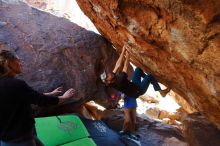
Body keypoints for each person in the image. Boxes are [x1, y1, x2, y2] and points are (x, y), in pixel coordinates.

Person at [0, 50, 76, 146]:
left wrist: (51, 93)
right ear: (9, 63)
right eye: (18, 60)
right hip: (19, 139)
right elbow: (41, 101)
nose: (21, 63)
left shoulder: (8, 84)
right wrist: (64, 97)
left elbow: (29, 96)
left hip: (10, 137)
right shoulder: (16, 84)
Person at [104, 45, 170, 99]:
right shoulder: (119, 82)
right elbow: (125, 66)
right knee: (150, 76)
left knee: (138, 70)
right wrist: (128, 56)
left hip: (134, 85)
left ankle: (150, 81)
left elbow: (117, 65)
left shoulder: (112, 77)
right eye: (107, 76)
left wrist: (123, 51)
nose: (108, 74)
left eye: (106, 74)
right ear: (108, 81)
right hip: (138, 91)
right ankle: (161, 92)